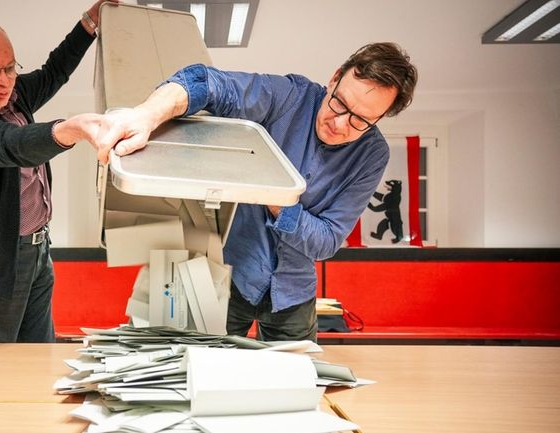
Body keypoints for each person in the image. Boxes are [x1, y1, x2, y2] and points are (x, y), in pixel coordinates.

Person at [106, 42, 418, 342]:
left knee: (295, 389)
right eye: (339, 104)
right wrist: (146, 115)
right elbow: (206, 81)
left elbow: (327, 241)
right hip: (225, 276)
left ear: (380, 119)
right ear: (335, 78)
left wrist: (277, 197)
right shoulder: (289, 96)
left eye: (360, 120)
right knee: (203, 375)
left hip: (294, 294)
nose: (340, 123)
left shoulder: (373, 154)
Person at [0, 0, 122, 343]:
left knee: (38, 354)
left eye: (10, 68)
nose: (4, 81)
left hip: (38, 252)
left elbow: (54, 71)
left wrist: (88, 24)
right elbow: (10, 144)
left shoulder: (14, 96)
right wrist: (72, 129)